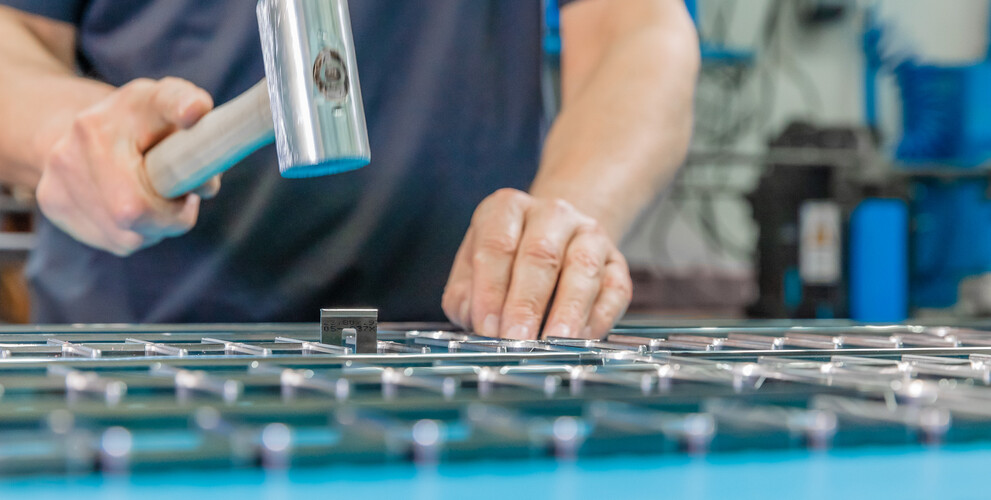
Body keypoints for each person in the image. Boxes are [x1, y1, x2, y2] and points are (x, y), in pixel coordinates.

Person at [0, 0, 698, 339]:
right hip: (133, 344)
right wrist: (69, 130)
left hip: (458, 343)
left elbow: (635, 25)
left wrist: (568, 213)